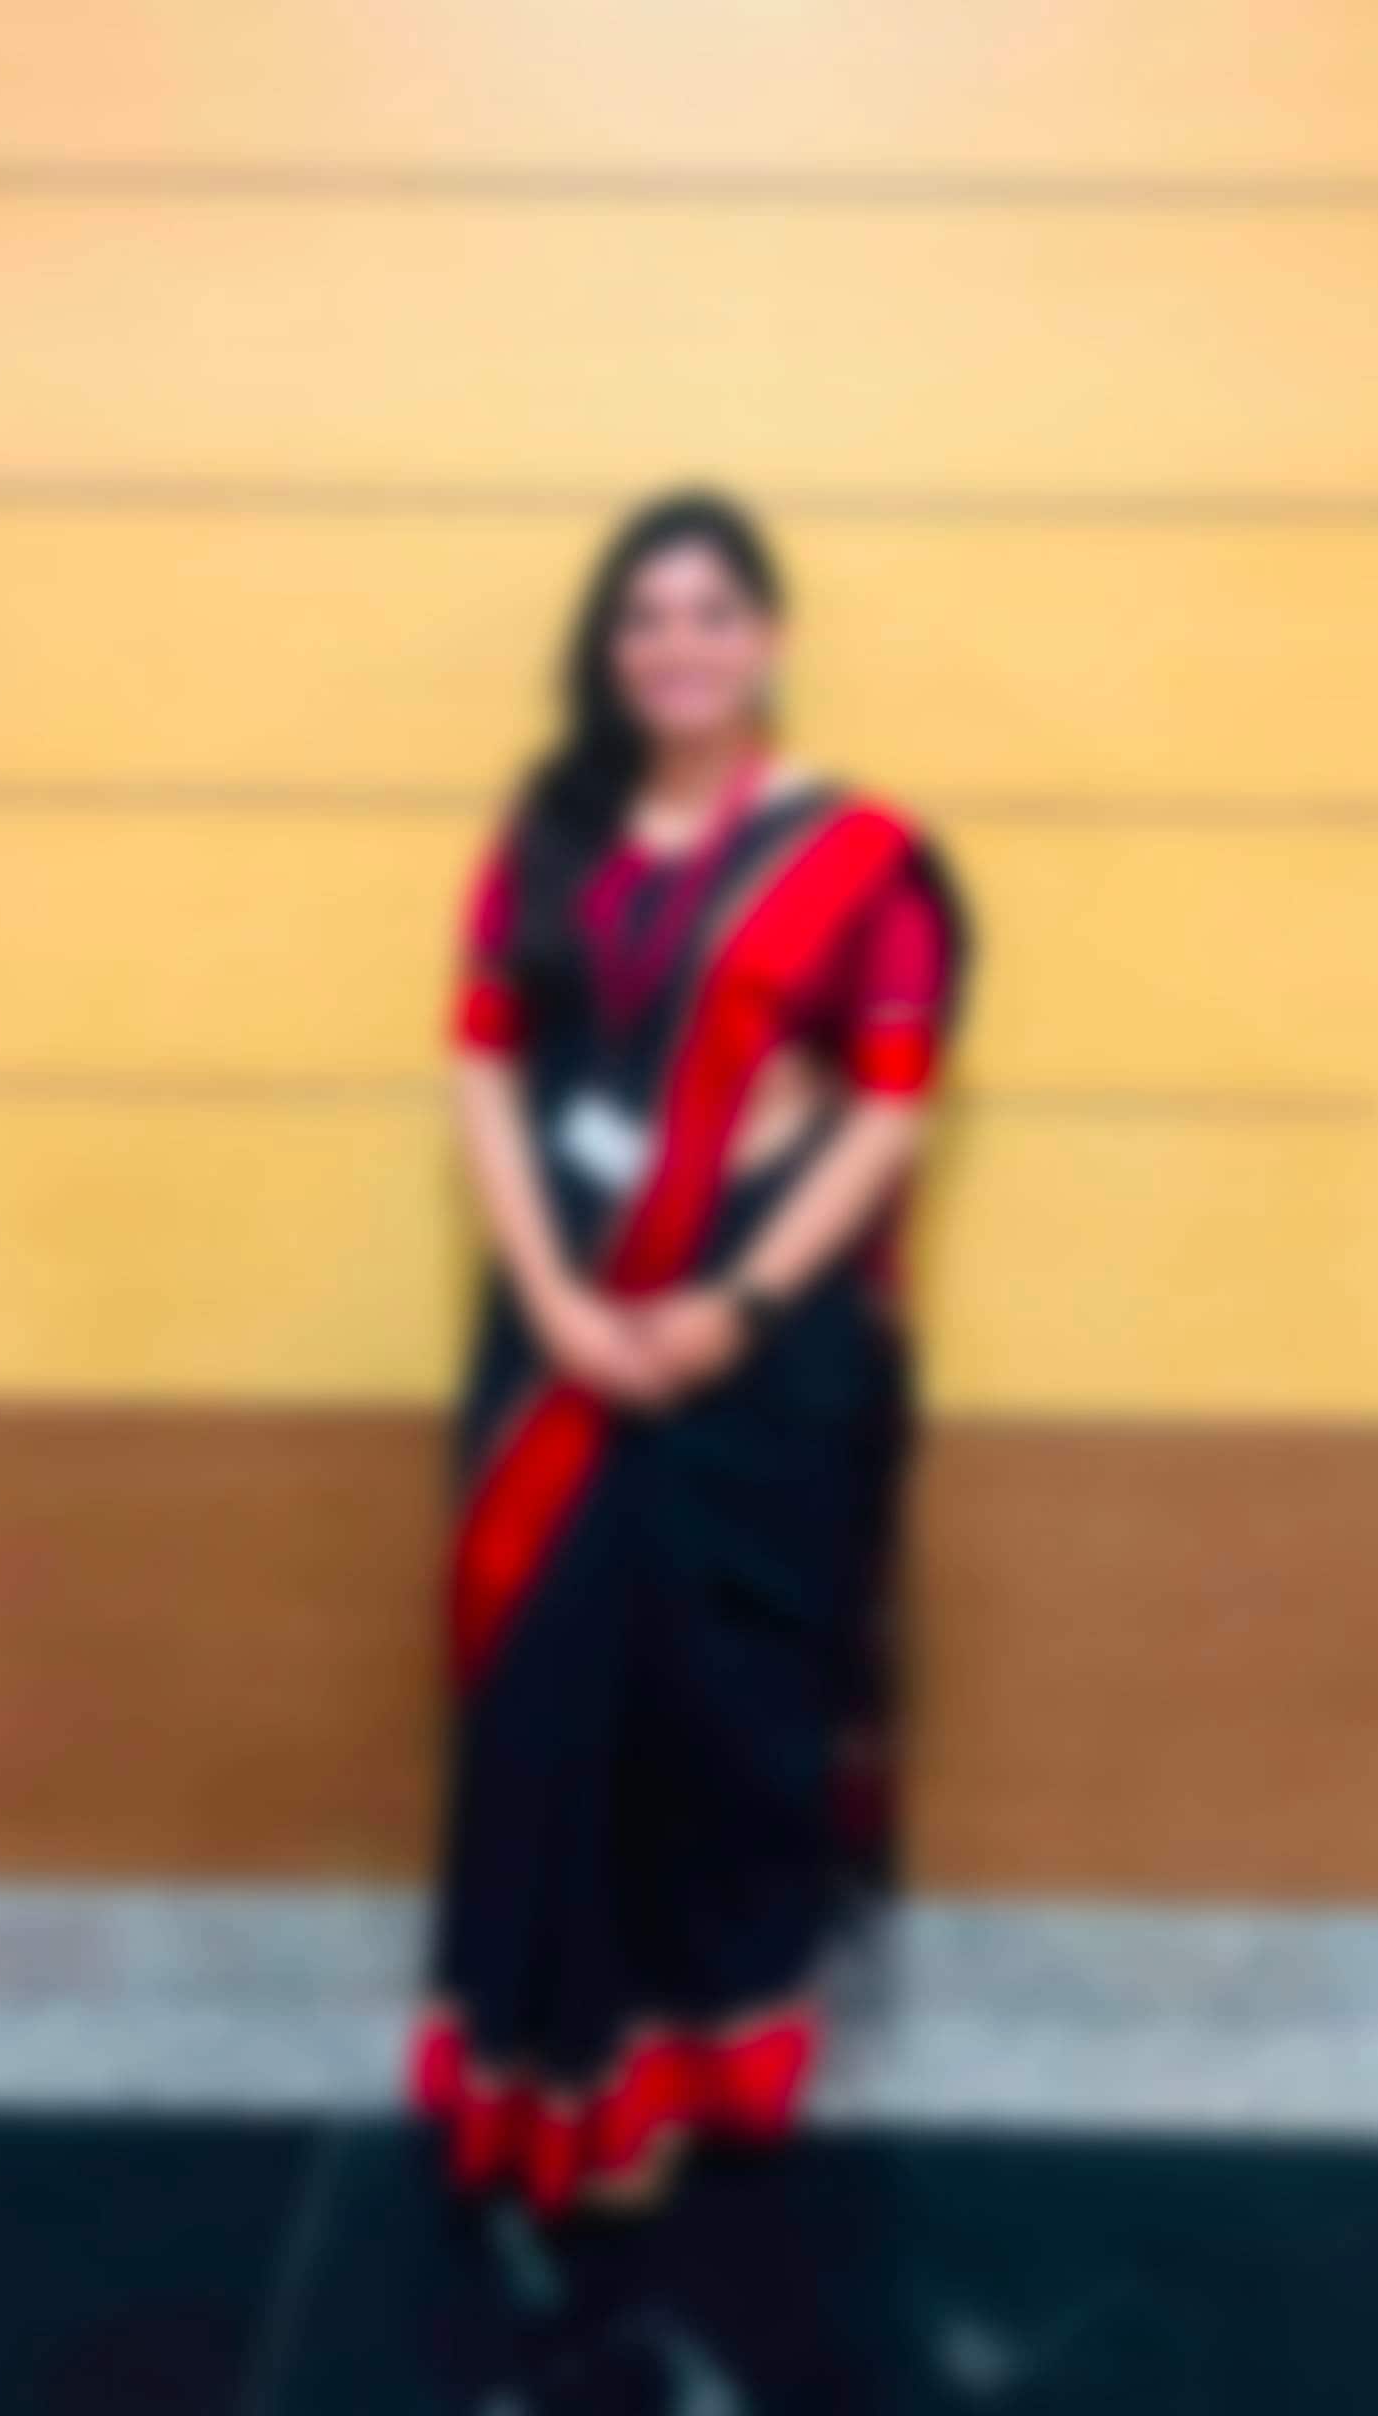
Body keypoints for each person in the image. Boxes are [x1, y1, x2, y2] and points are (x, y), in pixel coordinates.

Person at [411, 491, 969, 2219]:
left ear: (769, 640)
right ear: (608, 650)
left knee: (723, 1715)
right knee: (548, 1702)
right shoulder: (549, 831)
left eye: (713, 613)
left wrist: (735, 1310)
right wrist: (557, 1303)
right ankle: (559, 2079)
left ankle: (703, 2062)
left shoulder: (864, 858)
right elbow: (483, 1066)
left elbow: (890, 1114)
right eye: (644, 617)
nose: (679, 646)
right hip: (558, 1339)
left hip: (759, 1355)